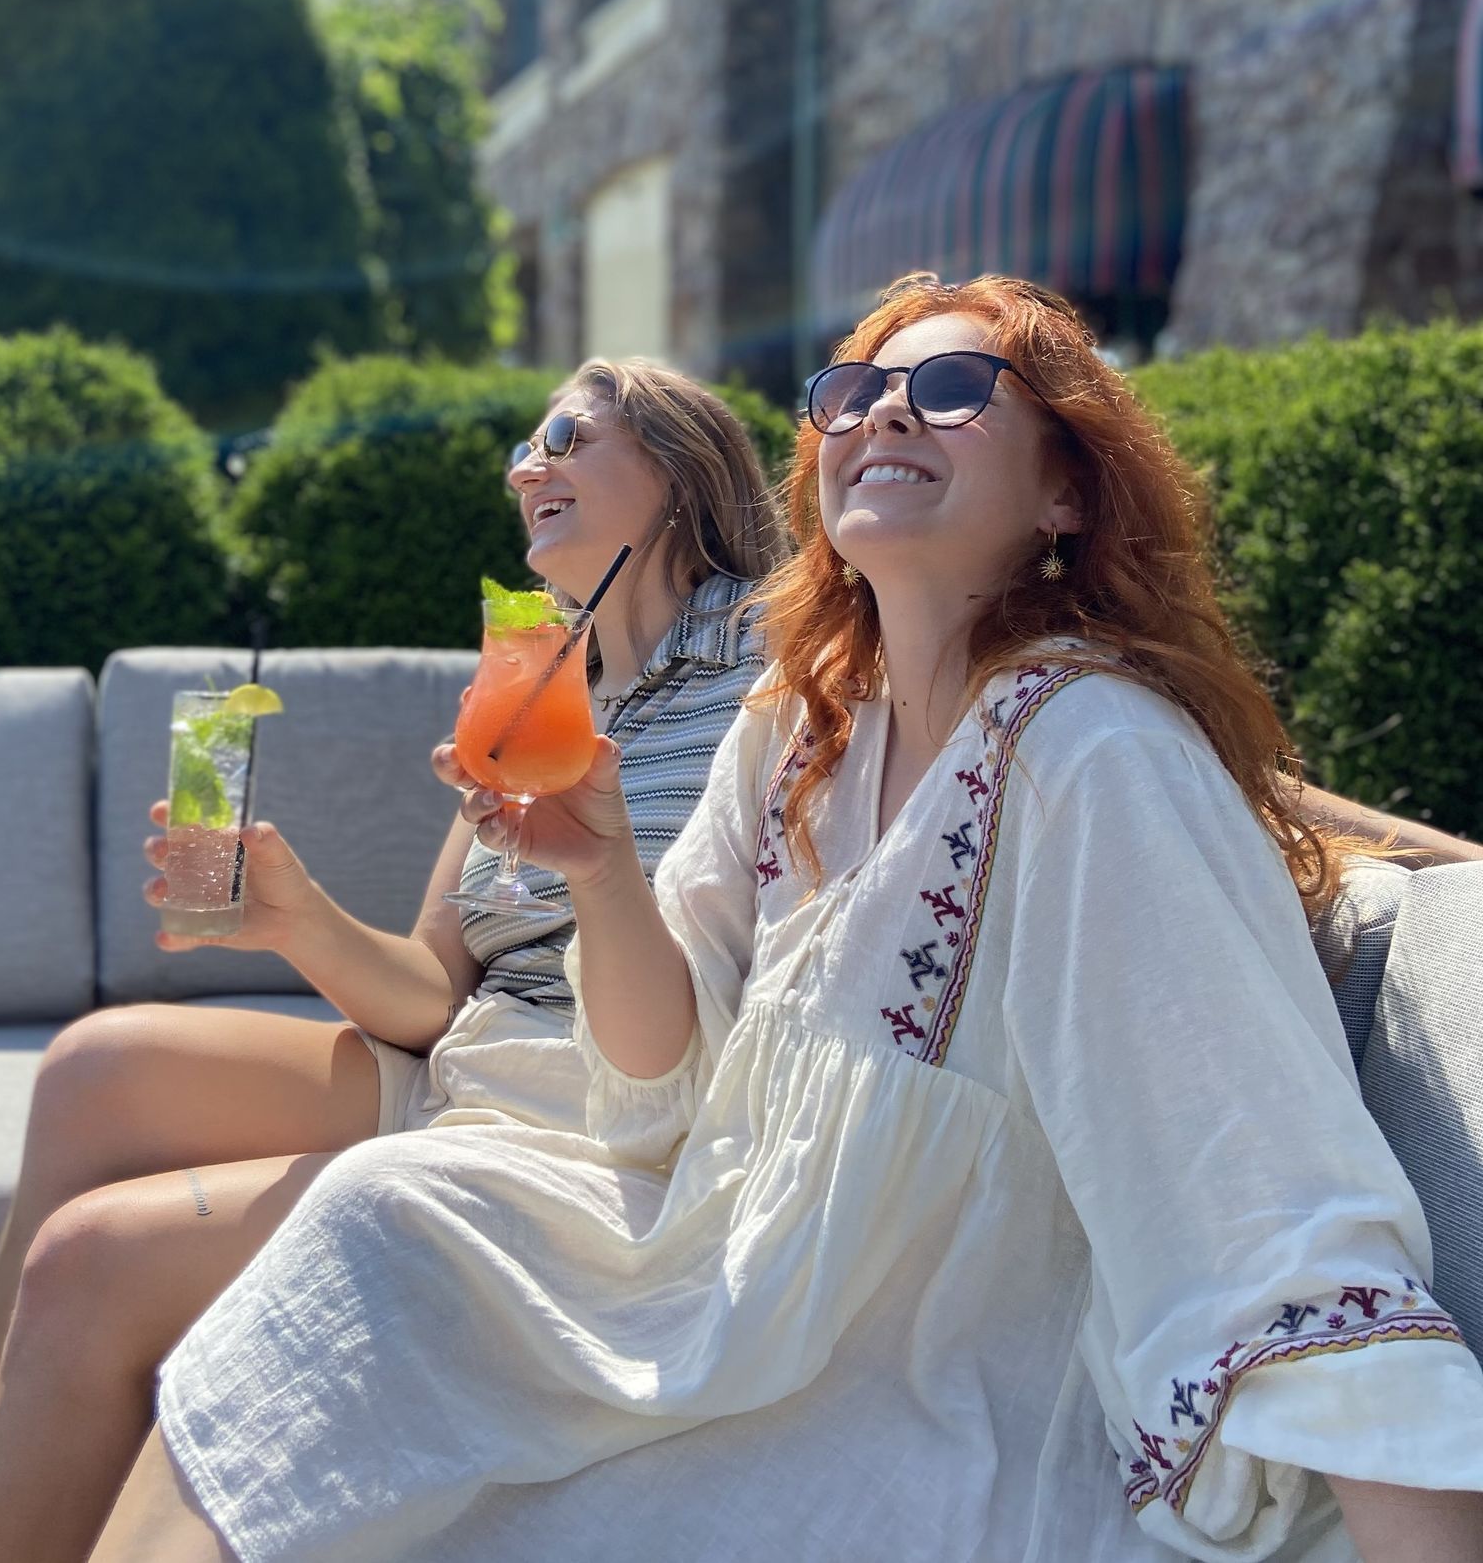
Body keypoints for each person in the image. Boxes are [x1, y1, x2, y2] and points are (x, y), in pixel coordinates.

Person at [109, 275, 1483, 1563]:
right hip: (731, 1278)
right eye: (851, 391)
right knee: (383, 1214)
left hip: (956, 1386)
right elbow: (663, 1088)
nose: (883, 408)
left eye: (952, 385)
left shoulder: (1092, 753)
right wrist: (598, 873)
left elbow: (1267, 1205)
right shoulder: (799, 728)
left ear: (1066, 489)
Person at [0, 360, 788, 1563]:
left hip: (604, 1104)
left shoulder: (774, 659)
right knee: (95, 1066)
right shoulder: (535, 679)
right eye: (523, 448)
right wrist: (294, 917)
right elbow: (435, 993)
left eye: (562, 434)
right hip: (477, 1066)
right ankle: (12, 1496)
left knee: (90, 1260)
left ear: (677, 467)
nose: (521, 465)